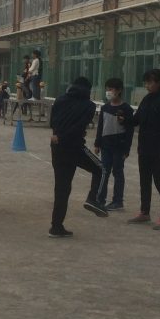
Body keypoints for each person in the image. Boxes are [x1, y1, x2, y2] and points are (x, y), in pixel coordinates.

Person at [47, 77, 108, 238]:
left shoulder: (60, 100)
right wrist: (64, 136)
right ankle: (93, 198)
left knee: (62, 188)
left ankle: (56, 226)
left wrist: (59, 135)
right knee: (101, 169)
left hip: (57, 147)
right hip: (74, 146)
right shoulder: (89, 106)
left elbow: (52, 122)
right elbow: (79, 127)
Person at [125, 69, 160, 230]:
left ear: (158, 83)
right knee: (144, 180)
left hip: (158, 149)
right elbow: (136, 119)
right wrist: (123, 119)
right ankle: (144, 212)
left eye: (150, 82)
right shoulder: (147, 99)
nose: (147, 85)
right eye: (145, 82)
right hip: (144, 147)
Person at [94, 77, 135, 211]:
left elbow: (130, 130)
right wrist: (97, 143)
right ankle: (100, 200)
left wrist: (126, 149)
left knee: (118, 172)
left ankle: (118, 201)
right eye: (107, 89)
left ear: (119, 91)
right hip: (106, 146)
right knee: (104, 171)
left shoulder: (126, 109)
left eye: (111, 89)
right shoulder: (105, 107)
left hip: (119, 146)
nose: (108, 92)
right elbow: (100, 127)